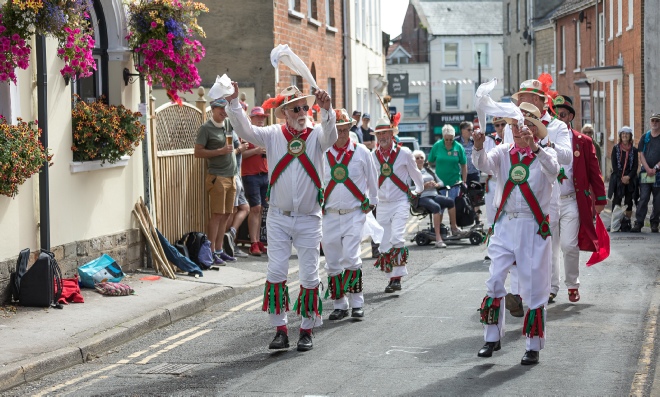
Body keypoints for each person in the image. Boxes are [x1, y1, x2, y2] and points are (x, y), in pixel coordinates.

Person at [226, 83, 336, 352]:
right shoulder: (274, 134)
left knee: (310, 275)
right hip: (278, 216)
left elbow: (332, 136)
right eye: (295, 108)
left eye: (305, 107)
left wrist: (328, 109)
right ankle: (281, 330)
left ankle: (307, 330)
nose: (302, 112)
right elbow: (245, 131)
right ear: (285, 112)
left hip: (309, 217)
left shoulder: (317, 135)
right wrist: (232, 104)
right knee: (276, 271)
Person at [472, 103, 559, 366]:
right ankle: (491, 338)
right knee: (495, 280)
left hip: (533, 228)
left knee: (534, 289)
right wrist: (478, 146)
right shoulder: (502, 152)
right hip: (505, 225)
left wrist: (535, 148)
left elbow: (554, 171)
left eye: (524, 126)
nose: (518, 131)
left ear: (534, 130)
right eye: (515, 126)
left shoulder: (546, 154)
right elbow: (484, 165)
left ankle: (533, 346)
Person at [508, 77, 572, 304]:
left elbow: (567, 156)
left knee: (547, 244)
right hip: (517, 195)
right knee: (517, 246)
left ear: (536, 100)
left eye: (522, 97)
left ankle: (548, 288)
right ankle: (518, 293)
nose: (519, 102)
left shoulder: (557, 126)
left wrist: (545, 145)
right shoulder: (513, 124)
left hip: (546, 192)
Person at [322, 109, 378, 320]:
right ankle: (339, 304)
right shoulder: (323, 153)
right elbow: (316, 181)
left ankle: (357, 303)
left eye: (345, 130)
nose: (342, 134)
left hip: (354, 213)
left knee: (351, 257)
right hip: (329, 214)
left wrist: (372, 203)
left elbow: (373, 179)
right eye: (338, 130)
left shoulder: (361, 151)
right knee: (333, 260)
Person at [371, 116, 424, 293]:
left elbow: (415, 173)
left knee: (397, 237)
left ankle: (397, 278)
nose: (382, 136)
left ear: (392, 134)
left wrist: (418, 190)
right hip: (382, 204)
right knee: (384, 243)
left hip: (400, 201)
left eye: (385, 132)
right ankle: (391, 278)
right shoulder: (373, 156)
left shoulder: (405, 153)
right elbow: (368, 180)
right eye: (379, 134)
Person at [194, 98, 237, 266]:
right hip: (217, 177)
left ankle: (219, 250)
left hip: (232, 175)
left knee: (227, 214)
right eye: (221, 109)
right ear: (212, 109)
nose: (224, 111)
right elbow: (198, 152)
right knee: (217, 215)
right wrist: (220, 151)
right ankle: (210, 251)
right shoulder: (206, 128)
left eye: (225, 109)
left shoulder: (228, 124)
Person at [241, 107, 270, 256]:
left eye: (263, 117)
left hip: (264, 174)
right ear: (251, 118)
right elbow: (241, 154)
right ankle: (253, 242)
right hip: (250, 175)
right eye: (258, 117)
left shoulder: (265, 134)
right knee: (255, 208)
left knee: (261, 209)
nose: (261, 120)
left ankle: (258, 240)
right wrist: (256, 151)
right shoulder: (246, 133)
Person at [411, 150, 454, 248]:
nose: (420, 159)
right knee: (436, 207)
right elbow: (408, 188)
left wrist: (436, 184)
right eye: (417, 158)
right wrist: (423, 186)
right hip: (421, 197)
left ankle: (454, 228)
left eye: (421, 157)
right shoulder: (411, 172)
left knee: (450, 201)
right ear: (413, 160)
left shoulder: (429, 170)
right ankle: (438, 239)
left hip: (434, 194)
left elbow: (441, 182)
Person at [427, 124, 465, 235]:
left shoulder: (458, 146)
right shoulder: (437, 146)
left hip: (454, 182)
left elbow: (464, 165)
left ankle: (454, 227)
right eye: (446, 139)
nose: (448, 141)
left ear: (454, 137)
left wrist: (464, 180)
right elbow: (429, 162)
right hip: (440, 184)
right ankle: (438, 230)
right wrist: (431, 177)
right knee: (440, 207)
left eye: (451, 139)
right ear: (443, 137)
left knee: (452, 205)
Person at [631, 113, 660, 233]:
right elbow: (641, 154)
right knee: (643, 198)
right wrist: (648, 169)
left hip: (658, 174)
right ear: (650, 122)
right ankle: (639, 223)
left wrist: (656, 168)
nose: (654, 123)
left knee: (658, 200)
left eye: (657, 121)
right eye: (653, 120)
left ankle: (654, 223)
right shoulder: (645, 137)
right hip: (645, 173)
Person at [224, 130, 250, 258]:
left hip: (236, 175)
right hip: (232, 175)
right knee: (232, 211)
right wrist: (240, 149)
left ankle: (230, 236)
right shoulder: (229, 131)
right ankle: (225, 242)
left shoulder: (236, 132)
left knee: (244, 208)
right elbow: (226, 155)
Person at [608, 126, 638, 232]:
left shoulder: (634, 150)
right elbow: (614, 165)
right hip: (618, 179)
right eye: (623, 134)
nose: (624, 135)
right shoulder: (616, 148)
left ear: (630, 136)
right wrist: (622, 177)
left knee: (629, 201)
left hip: (630, 179)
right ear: (620, 136)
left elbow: (635, 166)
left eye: (627, 134)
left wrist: (628, 177)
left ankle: (626, 222)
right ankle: (615, 223)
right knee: (617, 200)